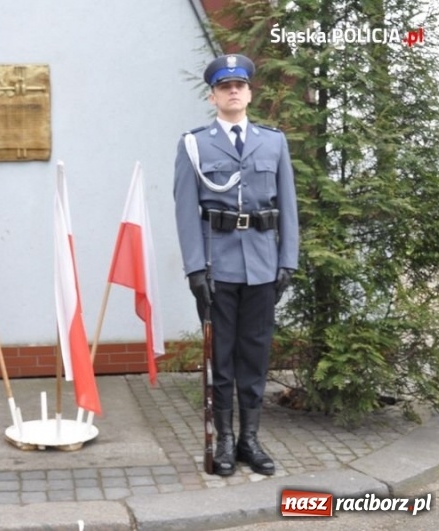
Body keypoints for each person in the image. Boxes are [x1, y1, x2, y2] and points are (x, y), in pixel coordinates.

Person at [173, 54, 298, 477]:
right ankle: (224, 440)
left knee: (255, 357)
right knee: (221, 360)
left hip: (263, 265)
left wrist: (288, 262)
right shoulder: (195, 144)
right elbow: (186, 211)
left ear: (249, 92)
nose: (232, 92)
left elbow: (289, 206)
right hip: (217, 266)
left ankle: (250, 440)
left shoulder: (273, 142)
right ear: (213, 96)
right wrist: (194, 270)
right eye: (224, 87)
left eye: (239, 86)